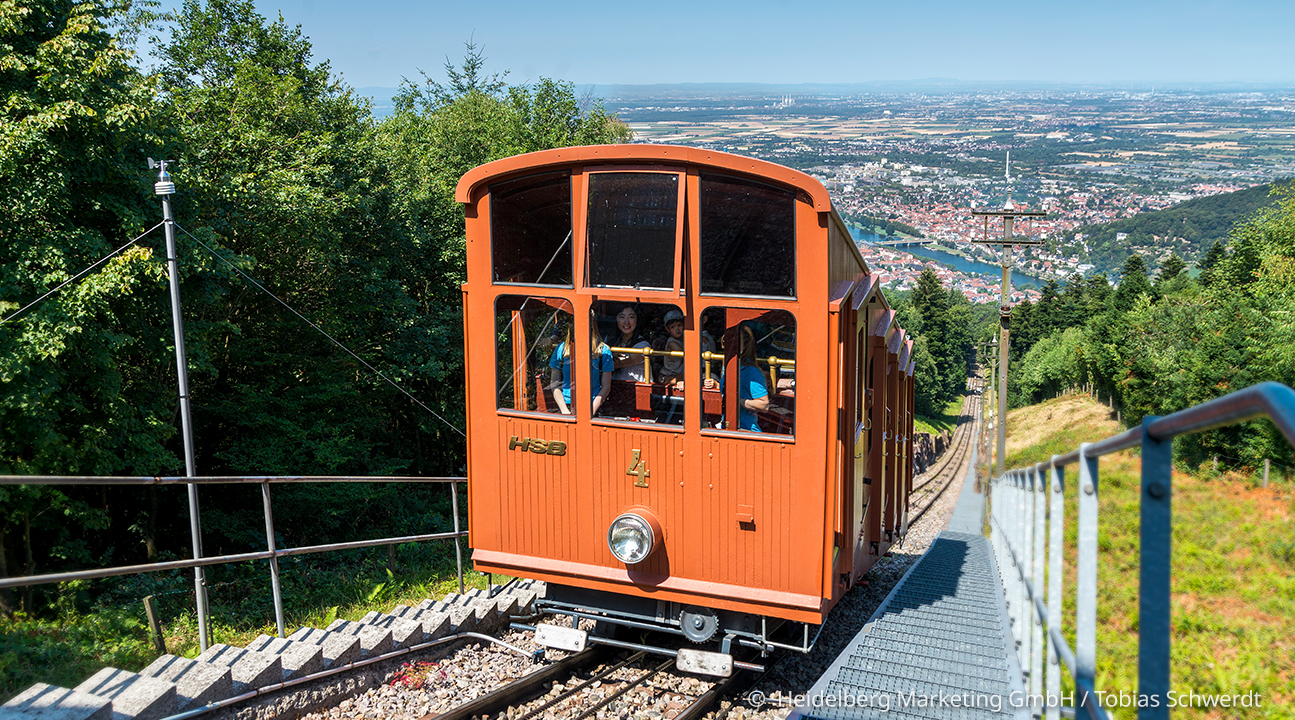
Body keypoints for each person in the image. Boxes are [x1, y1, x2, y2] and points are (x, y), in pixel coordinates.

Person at [703, 324, 769, 431]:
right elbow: (737, 389)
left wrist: (738, 401)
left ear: (746, 345)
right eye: (725, 342)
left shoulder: (751, 371)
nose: (729, 346)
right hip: (729, 428)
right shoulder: (728, 366)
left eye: (735, 342)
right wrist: (717, 384)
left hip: (746, 431)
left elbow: (764, 405)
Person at [549, 325, 614, 415]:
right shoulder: (562, 349)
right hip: (566, 405)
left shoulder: (603, 351)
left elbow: (606, 387)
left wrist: (591, 411)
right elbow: (554, 384)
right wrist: (565, 411)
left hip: (594, 405)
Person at [608, 304, 650, 382]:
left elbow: (621, 363)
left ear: (637, 320)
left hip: (636, 389)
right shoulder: (612, 342)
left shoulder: (643, 345)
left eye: (631, 317)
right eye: (622, 317)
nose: (626, 322)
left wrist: (607, 357)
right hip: (614, 387)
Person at [659, 309, 685, 384]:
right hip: (670, 374)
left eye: (679, 325)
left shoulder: (683, 339)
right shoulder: (672, 343)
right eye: (673, 327)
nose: (677, 329)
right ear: (668, 329)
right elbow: (686, 354)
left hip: (680, 372)